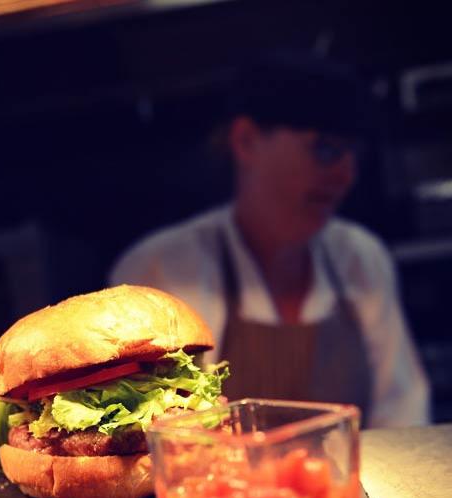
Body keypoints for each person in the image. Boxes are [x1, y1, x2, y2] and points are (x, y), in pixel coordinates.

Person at [109, 52, 430, 428]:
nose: (347, 175)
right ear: (245, 141)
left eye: (354, 155)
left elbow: (403, 413)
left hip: (352, 485)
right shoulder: (160, 269)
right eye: (326, 148)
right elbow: (154, 436)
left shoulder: (362, 258)